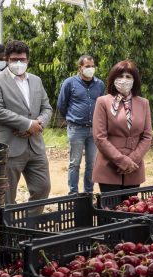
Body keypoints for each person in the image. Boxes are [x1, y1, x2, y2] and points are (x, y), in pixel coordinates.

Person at [0, 40, 52, 213]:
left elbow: (47, 107)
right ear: (7, 59)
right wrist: (27, 124)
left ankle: (29, 227)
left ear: (28, 60)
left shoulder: (36, 80)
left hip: (35, 145)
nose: (18, 63)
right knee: (6, 195)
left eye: (22, 59)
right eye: (14, 59)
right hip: (9, 146)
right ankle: (9, 232)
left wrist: (38, 124)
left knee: (42, 188)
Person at [92, 60, 153, 193]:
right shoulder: (103, 102)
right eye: (120, 76)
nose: (124, 80)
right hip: (109, 165)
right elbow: (99, 137)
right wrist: (121, 160)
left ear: (134, 80)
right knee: (110, 210)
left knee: (131, 209)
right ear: (113, 79)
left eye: (128, 77)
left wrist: (132, 160)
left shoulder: (143, 103)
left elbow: (147, 135)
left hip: (134, 166)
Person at [57, 55, 106, 194]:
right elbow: (61, 104)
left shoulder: (100, 84)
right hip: (76, 129)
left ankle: (88, 193)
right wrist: (71, 118)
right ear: (80, 68)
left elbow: (102, 105)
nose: (91, 69)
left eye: (92, 66)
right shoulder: (69, 83)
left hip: (94, 129)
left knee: (92, 164)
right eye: (87, 66)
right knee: (75, 163)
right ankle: (73, 193)